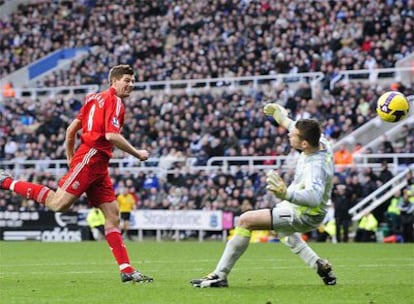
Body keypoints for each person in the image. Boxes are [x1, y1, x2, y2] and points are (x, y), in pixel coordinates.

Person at [0, 64, 153, 283]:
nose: (131, 85)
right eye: (127, 80)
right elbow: (111, 135)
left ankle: (127, 270)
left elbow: (71, 131)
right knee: (58, 204)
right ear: (114, 81)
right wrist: (137, 153)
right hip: (92, 157)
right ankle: (6, 182)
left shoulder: (93, 98)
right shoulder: (115, 101)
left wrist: (71, 160)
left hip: (97, 164)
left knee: (112, 215)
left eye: (133, 81)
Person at [190, 103, 336, 288]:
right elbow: (295, 127)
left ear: (304, 144)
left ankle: (220, 275)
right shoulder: (321, 142)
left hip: (305, 213)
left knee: (245, 220)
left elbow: (314, 197)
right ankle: (320, 266)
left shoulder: (315, 167)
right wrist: (282, 118)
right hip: (298, 208)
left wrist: (286, 194)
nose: (289, 134)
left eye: (293, 135)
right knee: (283, 232)